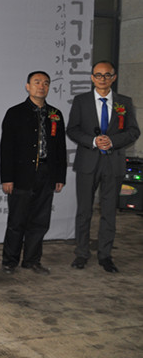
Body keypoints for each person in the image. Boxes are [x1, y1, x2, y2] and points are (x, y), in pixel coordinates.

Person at [66, 61, 139, 273]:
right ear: (92, 78)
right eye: (98, 75)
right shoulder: (81, 101)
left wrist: (113, 141)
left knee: (109, 211)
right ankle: (81, 253)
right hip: (88, 162)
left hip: (113, 163)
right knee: (84, 210)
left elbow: (133, 131)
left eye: (107, 75)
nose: (103, 79)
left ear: (113, 78)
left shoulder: (124, 102)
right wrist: (93, 141)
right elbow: (72, 130)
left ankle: (105, 255)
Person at [0, 71, 66, 275]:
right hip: (21, 175)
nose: (41, 86)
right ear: (28, 86)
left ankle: (32, 260)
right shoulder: (15, 113)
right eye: (37, 82)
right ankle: (10, 261)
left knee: (40, 221)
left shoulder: (55, 114)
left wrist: (60, 176)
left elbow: (60, 148)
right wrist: (7, 178)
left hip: (46, 174)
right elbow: (6, 148)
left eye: (45, 83)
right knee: (17, 221)